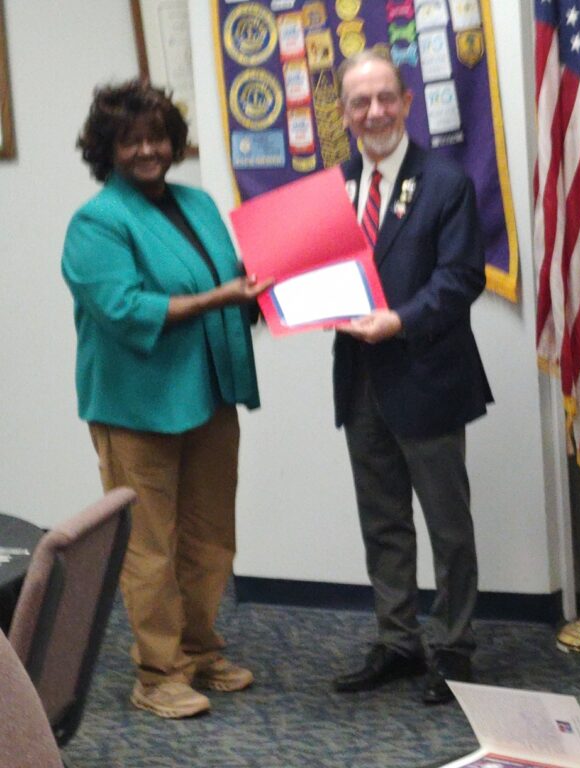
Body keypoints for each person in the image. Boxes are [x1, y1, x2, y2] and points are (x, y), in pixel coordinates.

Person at [61, 80, 272, 719]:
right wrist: (219, 298)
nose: (148, 150)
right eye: (131, 141)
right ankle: (157, 674)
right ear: (107, 149)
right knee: (149, 547)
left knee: (211, 535)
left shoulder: (198, 203)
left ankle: (200, 650)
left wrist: (273, 289)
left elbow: (235, 283)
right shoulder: (97, 221)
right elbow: (125, 309)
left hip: (210, 392)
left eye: (158, 137)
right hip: (136, 406)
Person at [329, 50, 492, 705]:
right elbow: (314, 271)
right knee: (383, 523)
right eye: (360, 102)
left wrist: (399, 320)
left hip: (428, 376)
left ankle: (452, 647)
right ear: (344, 114)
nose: (374, 112)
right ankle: (398, 641)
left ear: (406, 103)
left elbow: (461, 278)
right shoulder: (333, 189)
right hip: (359, 382)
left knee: (448, 527)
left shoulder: (446, 182)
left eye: (385, 98)